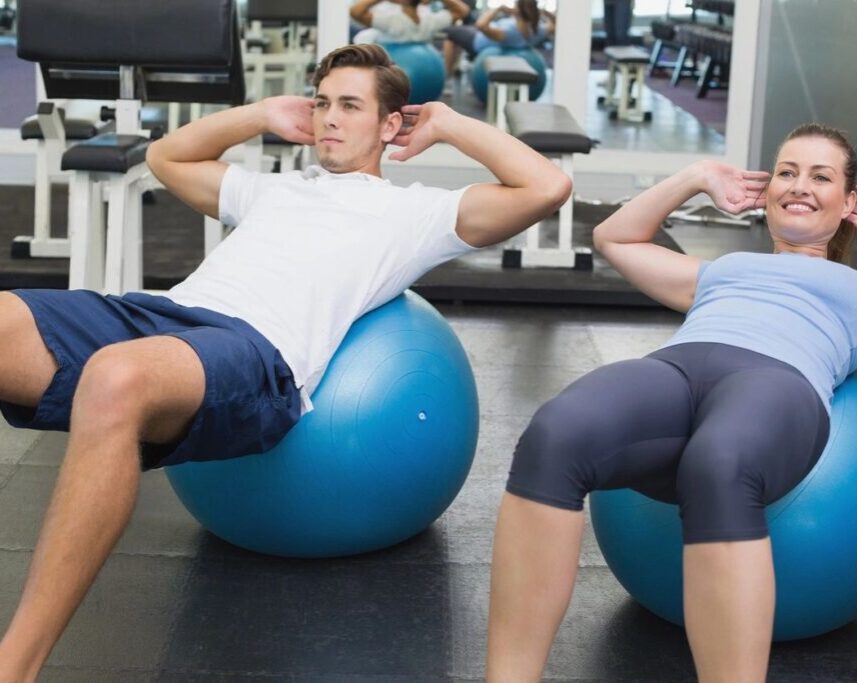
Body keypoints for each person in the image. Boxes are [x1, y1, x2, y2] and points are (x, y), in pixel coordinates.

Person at [0, 43, 570, 681]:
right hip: (162, 314)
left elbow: (549, 186)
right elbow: (165, 157)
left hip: (253, 353)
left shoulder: (417, 214)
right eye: (322, 102)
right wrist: (261, 113)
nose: (328, 117)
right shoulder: (272, 190)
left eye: (349, 106)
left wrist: (450, 124)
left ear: (390, 124)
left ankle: (15, 666)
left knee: (115, 376)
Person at [485, 123, 857, 682]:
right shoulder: (720, 272)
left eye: (822, 177)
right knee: (554, 433)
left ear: (848, 203)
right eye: (787, 172)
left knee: (720, 463)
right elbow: (615, 239)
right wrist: (694, 178)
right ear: (765, 193)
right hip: (679, 369)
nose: (800, 185)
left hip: (779, 381)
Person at [442, 0, 554, 79]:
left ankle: (447, 75)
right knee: (465, 26)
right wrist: (547, 13)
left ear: (517, 10)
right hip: (481, 34)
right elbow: (555, 25)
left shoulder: (510, 31)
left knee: (450, 33)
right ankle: (455, 66)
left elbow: (480, 25)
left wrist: (498, 8)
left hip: (477, 41)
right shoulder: (537, 30)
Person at [350, 0, 470, 45]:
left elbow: (355, 12)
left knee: (351, 29)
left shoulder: (393, 21)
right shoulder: (430, 19)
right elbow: (463, 10)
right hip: (417, 42)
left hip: (372, 44)